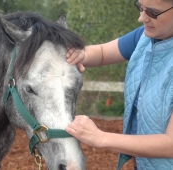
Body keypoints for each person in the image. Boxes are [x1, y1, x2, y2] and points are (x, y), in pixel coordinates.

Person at [65, 0, 173, 170]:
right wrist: (79, 54)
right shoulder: (145, 36)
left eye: (152, 12)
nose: (141, 18)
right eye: (140, 7)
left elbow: (170, 144)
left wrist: (100, 138)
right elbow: (101, 53)